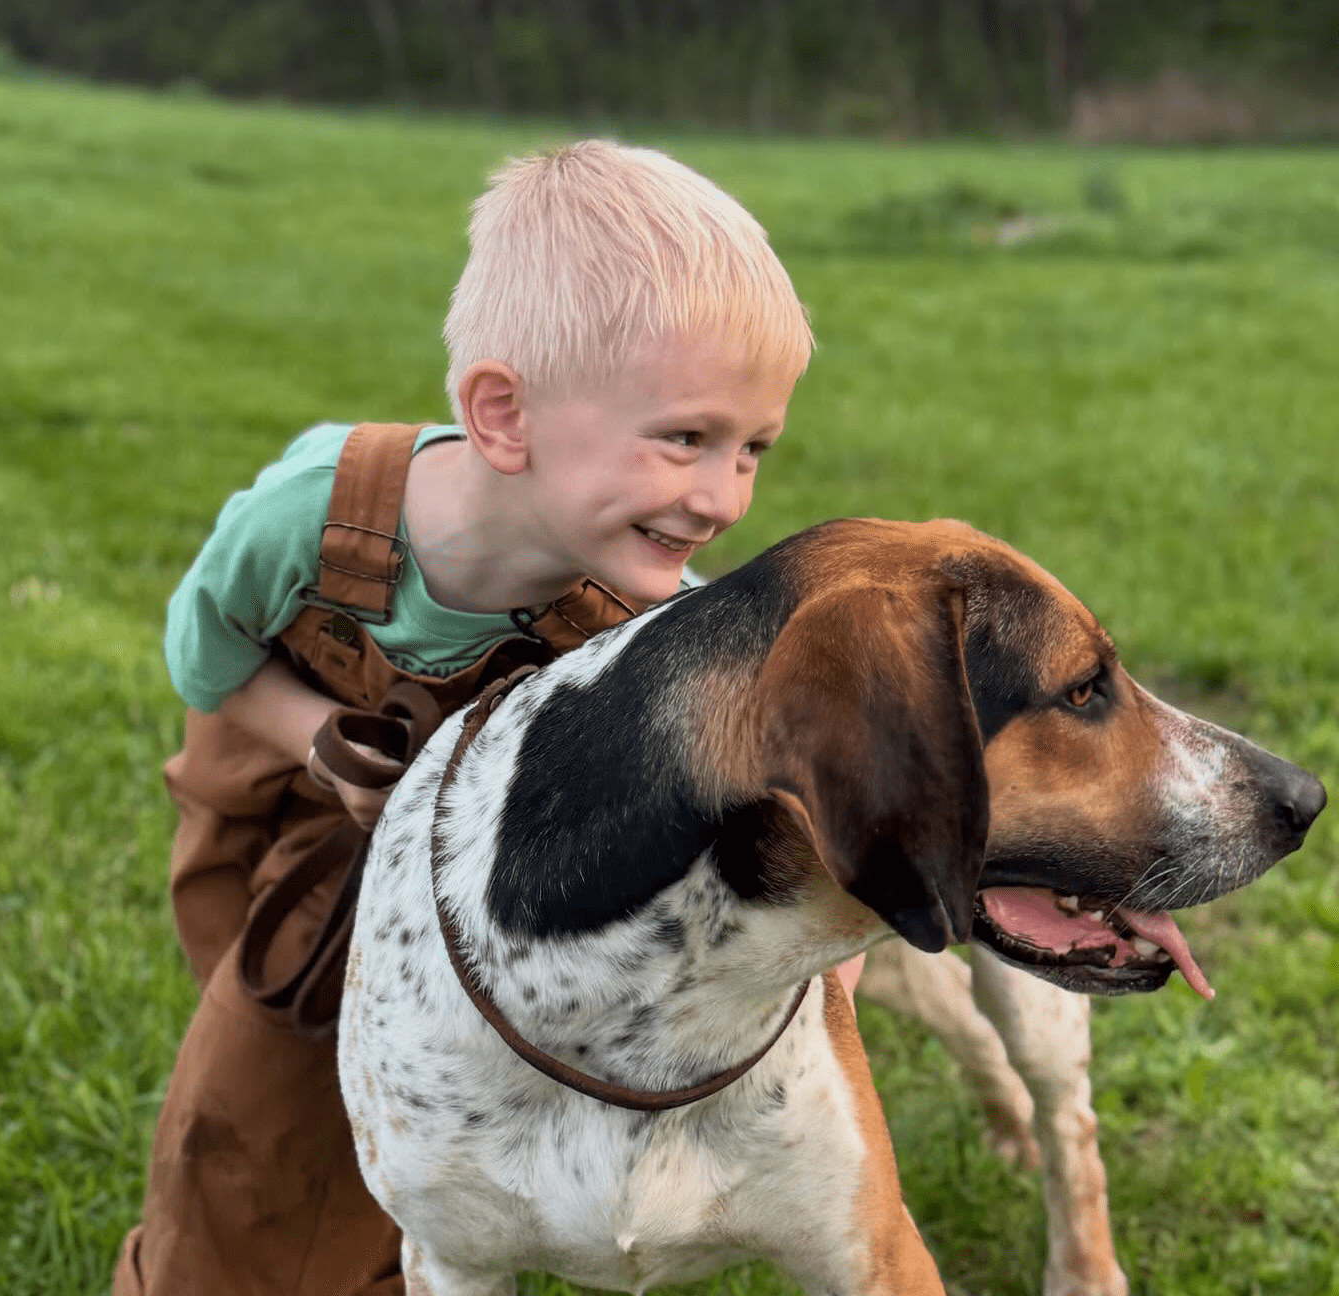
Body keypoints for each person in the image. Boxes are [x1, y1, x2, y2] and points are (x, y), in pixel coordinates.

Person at [114, 139, 816, 1296]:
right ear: (502, 414)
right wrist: (320, 745)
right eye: (685, 438)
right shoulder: (316, 517)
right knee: (252, 1107)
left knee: (444, 1105)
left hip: (480, 888)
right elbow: (206, 657)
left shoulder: (651, 628)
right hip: (286, 816)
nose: (722, 497)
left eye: (753, 451)